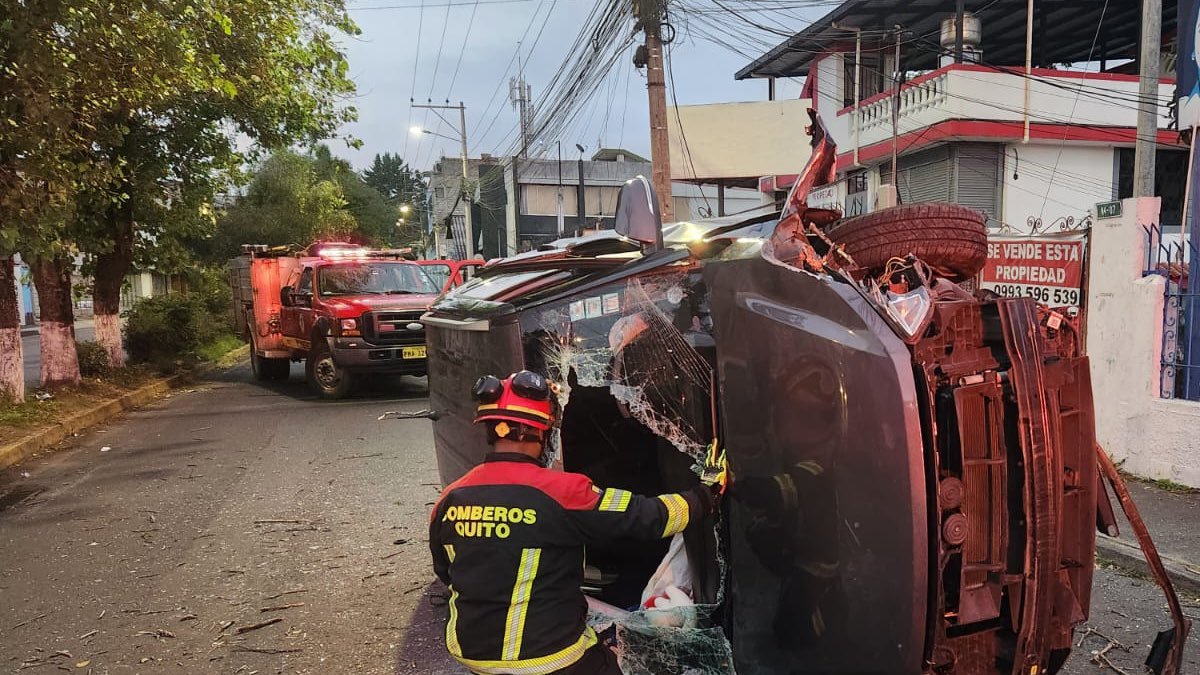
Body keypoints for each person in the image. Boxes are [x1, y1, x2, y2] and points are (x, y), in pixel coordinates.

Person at [428, 370, 719, 675]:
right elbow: (648, 517)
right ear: (543, 431)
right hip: (550, 658)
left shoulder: (451, 496)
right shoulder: (563, 492)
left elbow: (447, 573)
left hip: (470, 652)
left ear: (489, 431)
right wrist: (704, 494)